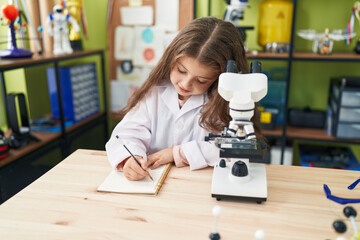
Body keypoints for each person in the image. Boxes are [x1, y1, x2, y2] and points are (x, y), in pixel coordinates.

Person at [105, 16, 263, 181]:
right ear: (170, 59)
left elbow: (232, 149)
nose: (185, 84)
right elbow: (126, 134)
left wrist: (176, 153)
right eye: (181, 70)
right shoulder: (154, 92)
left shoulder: (224, 100)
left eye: (201, 80)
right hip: (153, 181)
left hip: (198, 185)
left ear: (219, 78)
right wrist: (131, 157)